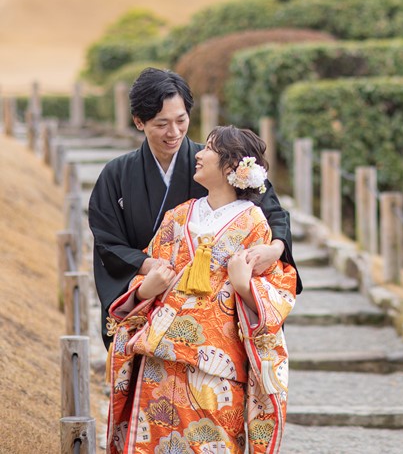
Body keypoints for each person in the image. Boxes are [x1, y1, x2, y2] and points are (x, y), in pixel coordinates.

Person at [106, 125, 297, 453]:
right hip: (159, 358)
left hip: (216, 364)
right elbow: (149, 274)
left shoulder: (255, 225)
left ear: (231, 166)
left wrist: (244, 288)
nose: (198, 154)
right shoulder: (178, 217)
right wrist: (143, 290)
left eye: (208, 148)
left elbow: (278, 291)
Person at [89, 68, 301, 349]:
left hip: (218, 321)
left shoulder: (217, 164)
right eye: (162, 123)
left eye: (181, 120)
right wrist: (150, 268)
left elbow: (273, 211)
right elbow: (107, 242)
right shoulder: (116, 175)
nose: (174, 132)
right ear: (139, 122)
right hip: (153, 305)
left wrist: (273, 249)